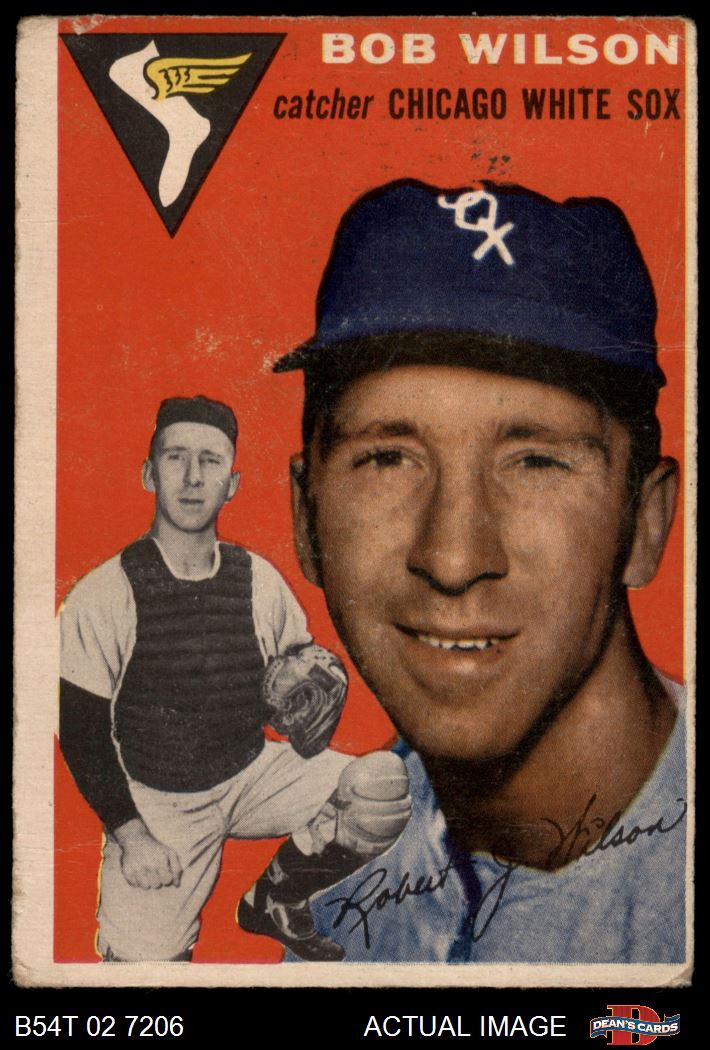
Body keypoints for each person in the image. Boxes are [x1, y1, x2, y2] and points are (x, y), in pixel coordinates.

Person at [273, 180, 688, 963]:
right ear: (306, 518)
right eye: (387, 458)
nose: (454, 559)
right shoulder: (331, 882)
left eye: (536, 461)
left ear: (645, 522)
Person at [59, 395, 411, 963]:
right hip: (162, 806)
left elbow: (297, 670)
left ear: (233, 483)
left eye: (211, 461)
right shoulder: (104, 593)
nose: (193, 477)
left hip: (250, 773)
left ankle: (276, 898)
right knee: (139, 971)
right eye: (175, 458)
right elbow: (81, 733)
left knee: (379, 789)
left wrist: (310, 682)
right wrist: (133, 836)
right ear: (149, 474)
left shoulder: (259, 580)